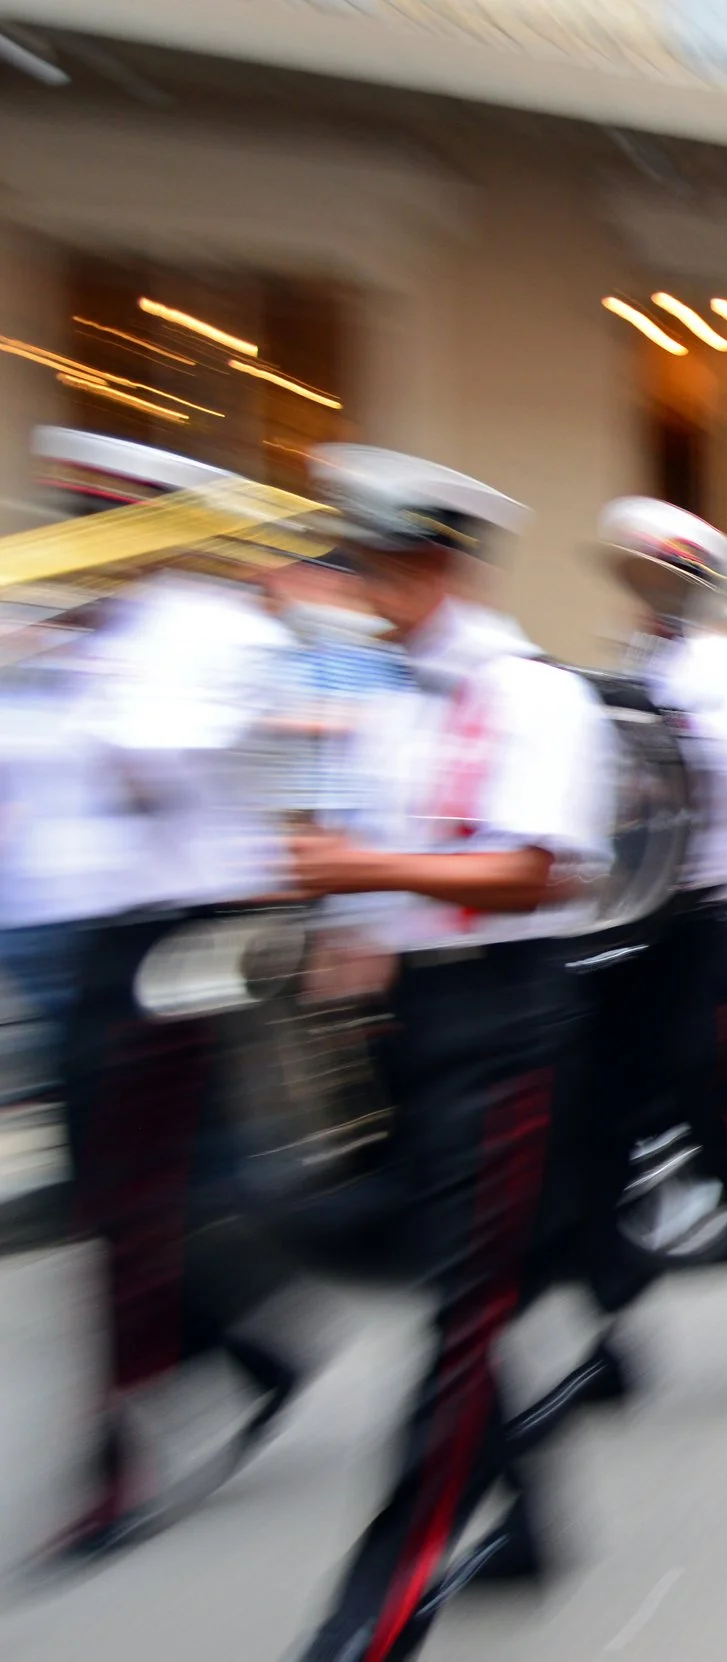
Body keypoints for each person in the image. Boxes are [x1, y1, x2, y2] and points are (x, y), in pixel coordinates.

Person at [284, 445, 615, 1662]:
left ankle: (377, 1605)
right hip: (419, 1016)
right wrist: (350, 950)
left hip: (506, 1021)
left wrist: (357, 868)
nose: (357, 588)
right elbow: (384, 876)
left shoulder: (530, 696)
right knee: (456, 1294)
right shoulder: (392, 699)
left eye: (374, 567)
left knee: (462, 1317)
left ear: (432, 565)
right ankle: (528, 1522)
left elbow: (537, 869)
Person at [28, 429, 309, 1564]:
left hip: (175, 938)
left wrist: (87, 669)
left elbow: (170, 764)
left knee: (131, 1205)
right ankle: (250, 1350)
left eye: (107, 517)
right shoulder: (96, 632)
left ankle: (117, 1464)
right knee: (112, 1199)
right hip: (83, 937)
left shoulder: (217, 631)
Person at [517, 499, 727, 1438]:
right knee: (589, 1138)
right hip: (620, 931)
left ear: (698, 586)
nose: (645, 590)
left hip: (703, 934)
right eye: (636, 573)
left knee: (720, 1134)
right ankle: (609, 1337)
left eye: (663, 576)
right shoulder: (628, 663)